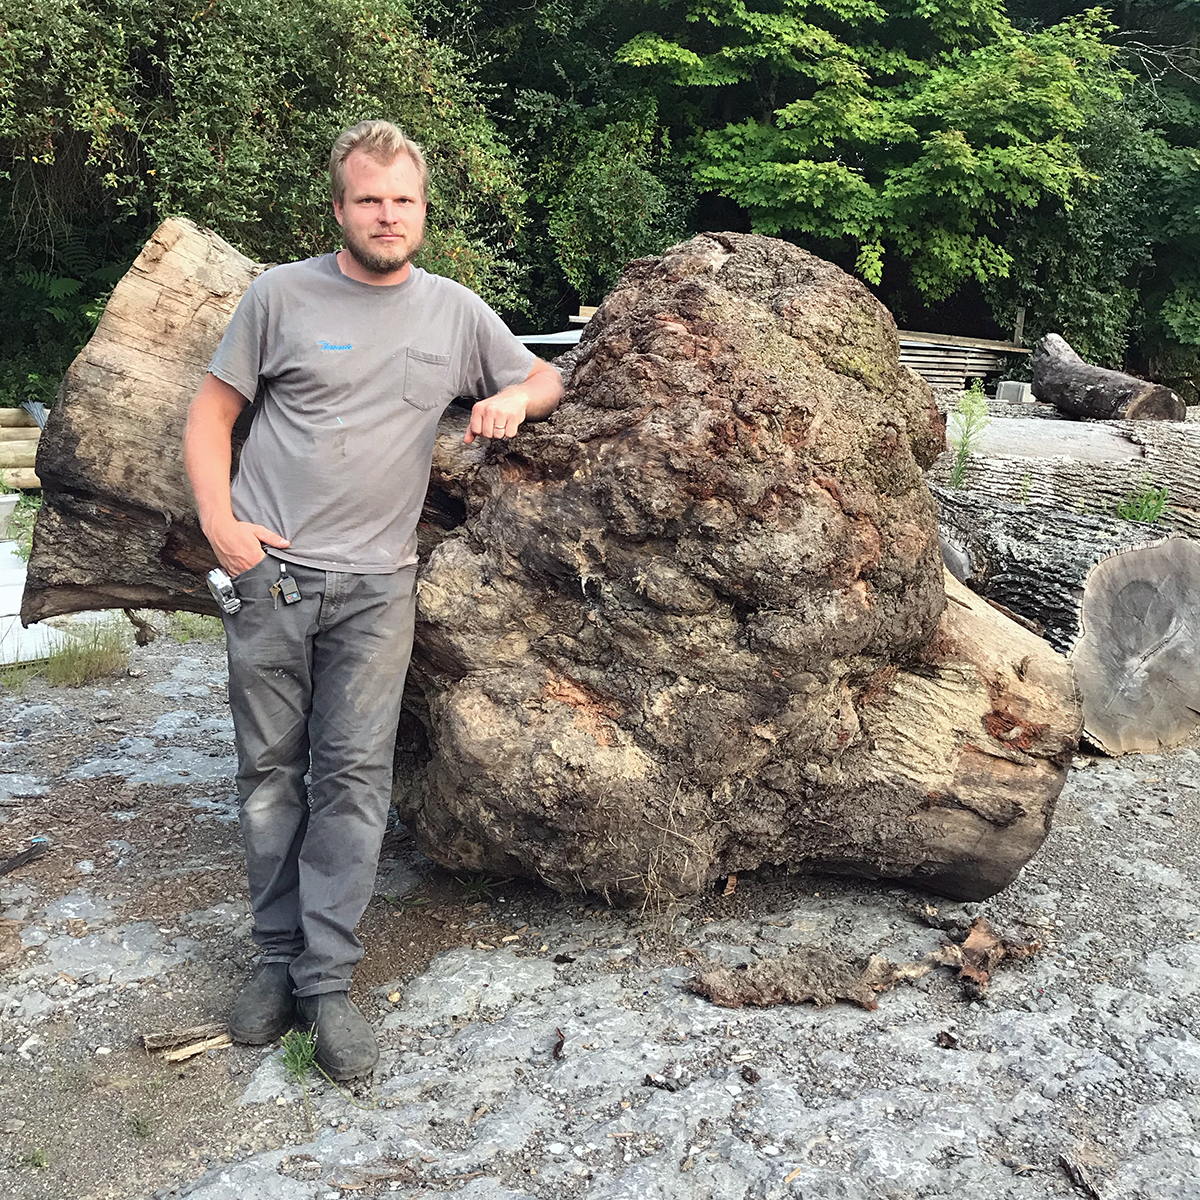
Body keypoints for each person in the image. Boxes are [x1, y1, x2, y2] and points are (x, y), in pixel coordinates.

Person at [183, 119, 563, 1079]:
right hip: (271, 576)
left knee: (353, 781)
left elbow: (545, 374)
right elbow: (210, 415)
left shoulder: (454, 313)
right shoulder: (280, 296)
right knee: (269, 777)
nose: (386, 217)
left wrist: (517, 400)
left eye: (402, 202)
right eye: (368, 200)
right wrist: (224, 531)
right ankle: (273, 962)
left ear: (422, 211)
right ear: (341, 209)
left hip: (378, 587)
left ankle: (328, 982)